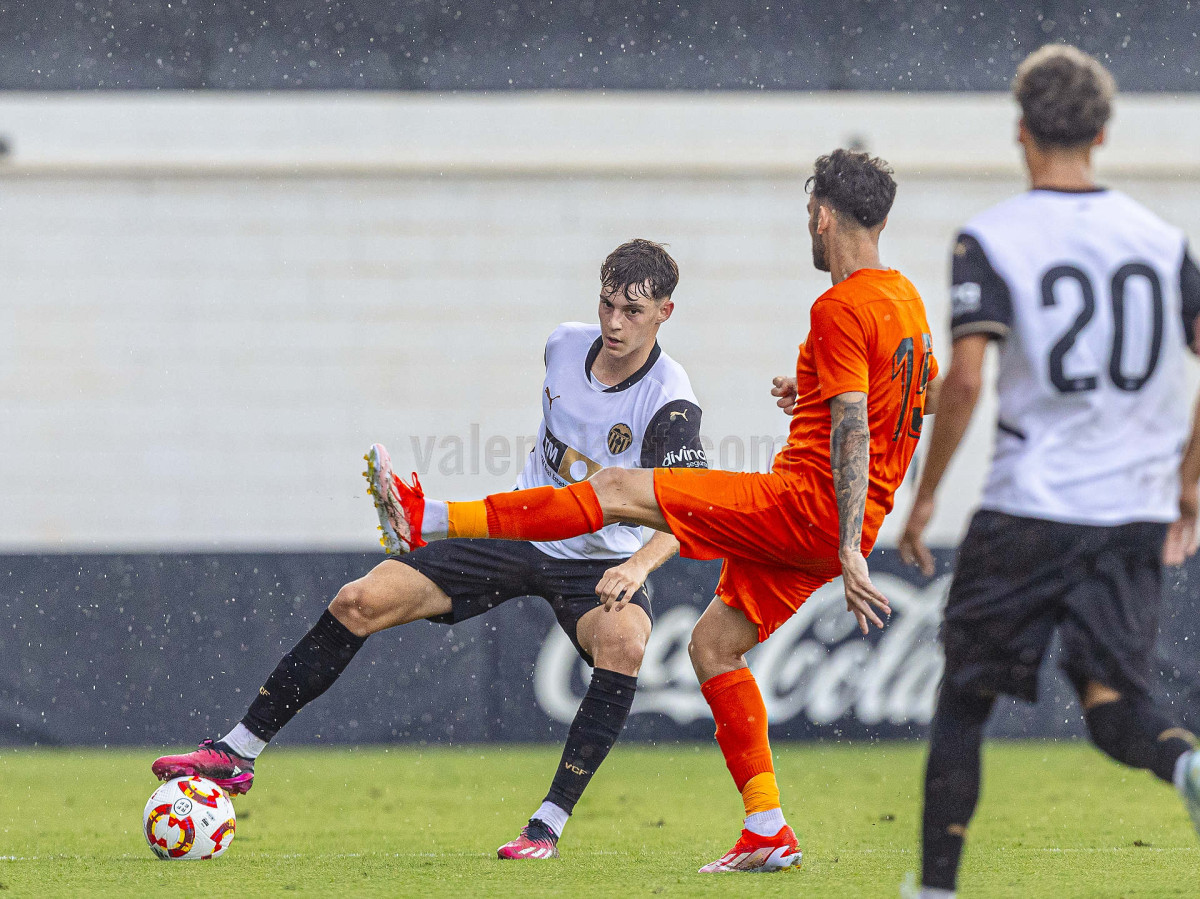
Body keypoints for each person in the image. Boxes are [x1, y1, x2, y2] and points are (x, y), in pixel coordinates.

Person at [368, 149, 940, 873]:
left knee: (616, 486)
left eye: (808, 214)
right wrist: (818, 400)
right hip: (834, 529)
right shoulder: (906, 301)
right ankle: (766, 826)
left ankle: (428, 517)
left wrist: (850, 541)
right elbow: (918, 398)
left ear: (823, 217)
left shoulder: (840, 304)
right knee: (713, 646)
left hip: (806, 509)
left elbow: (855, 424)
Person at [152, 238, 708, 860]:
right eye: (607, 304)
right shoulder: (562, 345)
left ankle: (546, 824)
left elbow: (688, 510)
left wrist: (637, 565)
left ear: (665, 313)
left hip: (600, 560)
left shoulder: (670, 398)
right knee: (358, 601)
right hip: (518, 530)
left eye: (633, 311)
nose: (614, 323)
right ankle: (237, 751)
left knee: (625, 644)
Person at [897, 44, 1200, 899]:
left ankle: (936, 889)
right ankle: (1186, 767)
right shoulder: (1162, 242)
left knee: (965, 697)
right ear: (1102, 133)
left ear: (1021, 131)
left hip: (1029, 507)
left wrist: (925, 494)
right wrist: (1188, 479)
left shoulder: (992, 237)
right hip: (1132, 513)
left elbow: (964, 379)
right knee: (1114, 708)